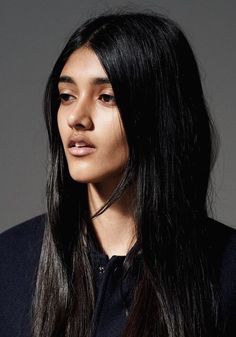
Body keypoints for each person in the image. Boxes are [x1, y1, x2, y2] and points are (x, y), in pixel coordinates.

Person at [0, 11, 236, 337]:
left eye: (106, 97)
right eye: (67, 96)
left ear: (159, 113)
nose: (76, 118)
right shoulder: (10, 262)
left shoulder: (227, 270)